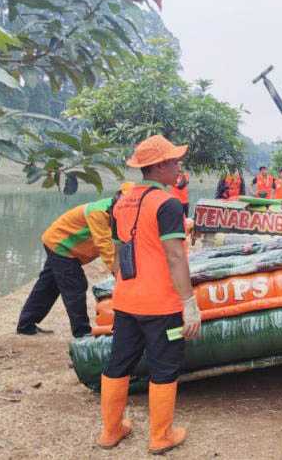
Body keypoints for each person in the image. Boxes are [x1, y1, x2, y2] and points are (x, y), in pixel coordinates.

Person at [96, 135, 201, 454]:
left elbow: (117, 252)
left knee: (119, 363)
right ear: (157, 166)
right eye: (173, 161)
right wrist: (189, 302)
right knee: (165, 366)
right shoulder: (167, 204)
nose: (178, 165)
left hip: (126, 301)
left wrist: (123, 286)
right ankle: (161, 436)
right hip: (160, 305)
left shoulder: (122, 201)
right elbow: (174, 256)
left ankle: (111, 431)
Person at [16, 197, 117, 337]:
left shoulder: (115, 209)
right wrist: (116, 271)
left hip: (60, 243)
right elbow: (104, 245)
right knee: (75, 285)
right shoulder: (98, 213)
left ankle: (26, 325)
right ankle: (81, 332)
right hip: (61, 245)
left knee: (48, 285)